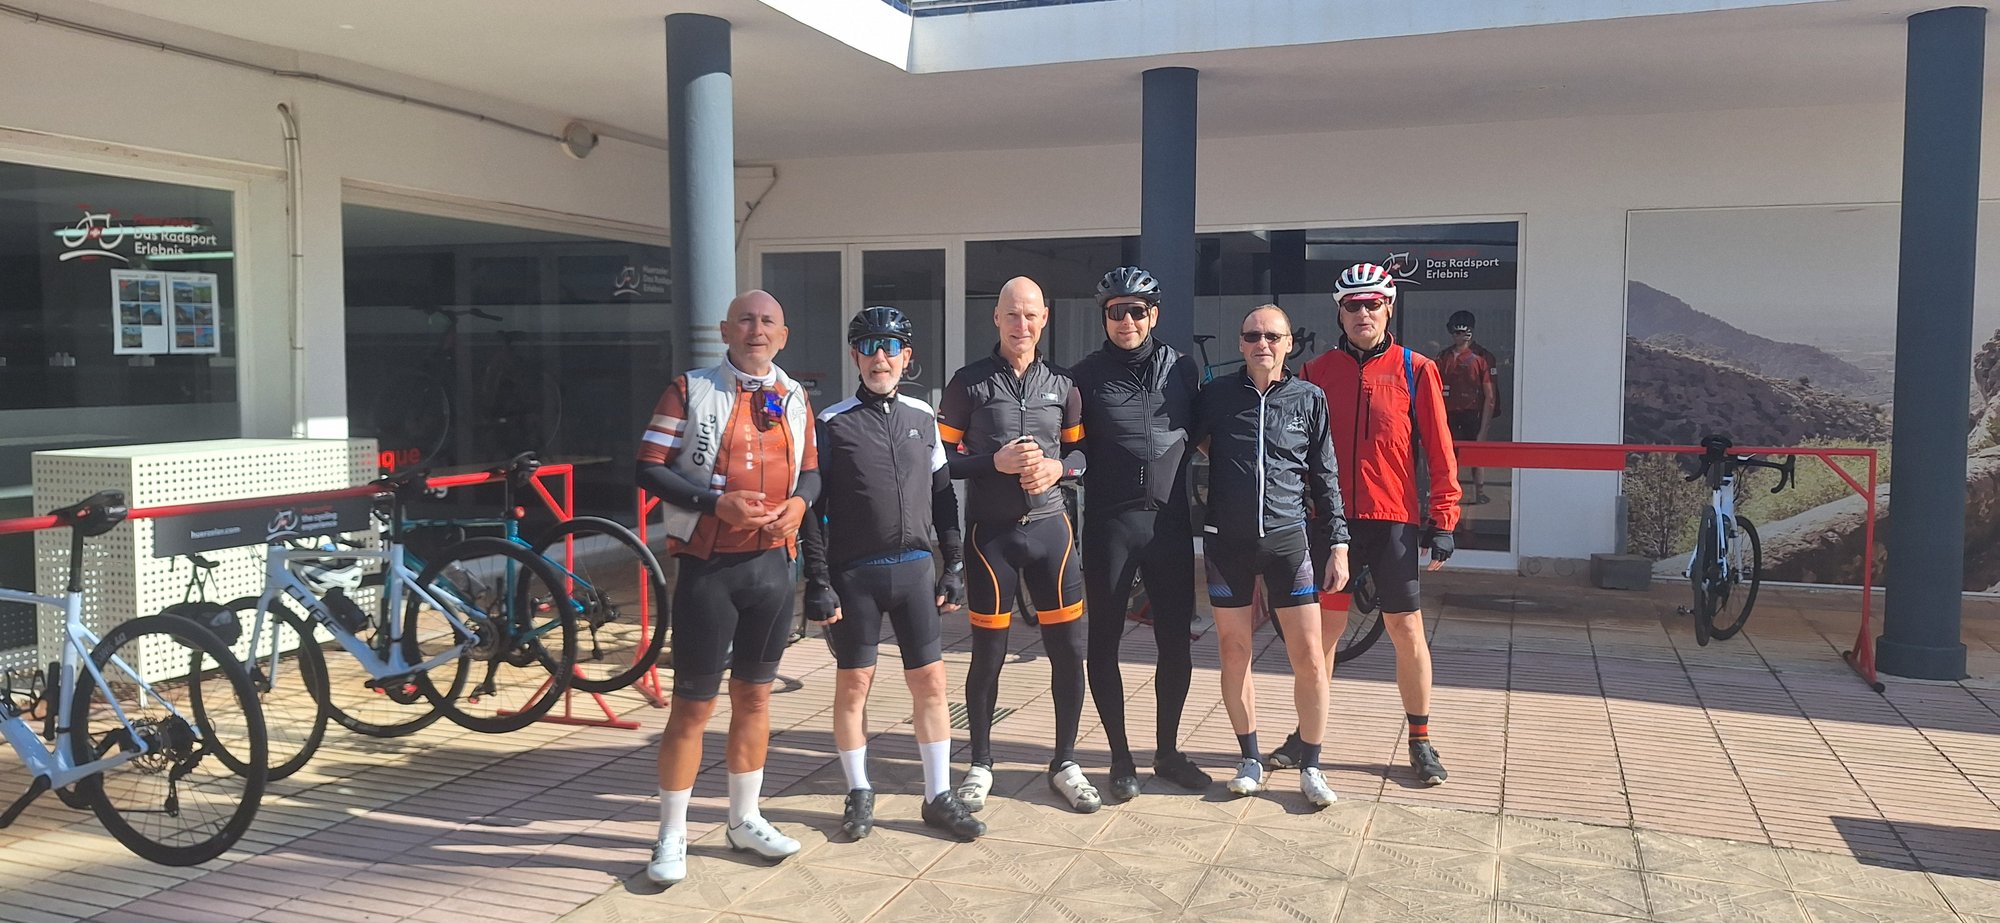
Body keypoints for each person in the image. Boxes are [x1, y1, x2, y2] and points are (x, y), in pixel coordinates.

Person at [636, 290, 820, 886]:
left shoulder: (795, 395)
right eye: (745, 320)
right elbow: (648, 467)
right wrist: (714, 503)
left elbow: (813, 473)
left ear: (783, 335)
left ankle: (744, 820)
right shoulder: (689, 389)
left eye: (768, 321)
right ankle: (671, 833)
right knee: (693, 706)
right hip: (709, 567)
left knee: (756, 699)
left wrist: (800, 505)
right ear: (724, 330)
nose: (756, 329)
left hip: (772, 568)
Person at [798, 306, 987, 842]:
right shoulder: (832, 423)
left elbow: (944, 498)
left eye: (890, 347)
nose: (879, 357)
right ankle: (859, 789)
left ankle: (938, 795)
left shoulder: (923, 418)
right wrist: (817, 581)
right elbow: (811, 511)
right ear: (854, 356)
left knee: (930, 683)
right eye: (868, 346)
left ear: (907, 357)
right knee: (854, 685)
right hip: (854, 577)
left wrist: (954, 566)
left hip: (915, 574)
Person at [1292, 262, 1463, 787]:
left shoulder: (1416, 369)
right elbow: (1295, 453)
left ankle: (1420, 740)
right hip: (1332, 524)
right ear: (1339, 313)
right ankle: (1306, 735)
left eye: (1372, 304)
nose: (1362, 313)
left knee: (1406, 631)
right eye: (1352, 305)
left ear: (1389, 308)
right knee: (1323, 635)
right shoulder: (1315, 372)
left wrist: (1444, 517)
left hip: (1392, 521)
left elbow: (1440, 448)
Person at [937, 276, 1099, 814]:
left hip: (1052, 533)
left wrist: (1058, 469)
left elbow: (1082, 456)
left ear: (1044, 318)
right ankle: (981, 763)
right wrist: (994, 462)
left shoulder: (1064, 384)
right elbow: (939, 463)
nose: (1021, 325)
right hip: (992, 538)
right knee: (988, 654)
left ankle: (1065, 762)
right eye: (1012, 314)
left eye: (1030, 315)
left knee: (1068, 652)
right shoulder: (968, 384)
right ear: (996, 318)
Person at [1193, 304, 1350, 808]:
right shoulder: (1216, 395)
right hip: (1226, 542)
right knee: (1233, 651)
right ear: (1241, 343)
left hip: (1288, 541)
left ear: (1288, 344)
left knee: (1309, 656)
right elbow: (1184, 446)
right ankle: (1250, 759)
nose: (1263, 343)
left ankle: (1312, 765)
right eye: (1253, 336)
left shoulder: (1309, 397)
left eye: (1272, 336)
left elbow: (1325, 474)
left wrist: (1339, 543)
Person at [1070, 267, 1209, 800]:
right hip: (1111, 525)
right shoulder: (1084, 375)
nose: (1126, 320)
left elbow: (1205, 435)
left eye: (1136, 310)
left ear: (1154, 315)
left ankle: (1167, 752)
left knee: (1175, 642)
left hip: (1169, 525)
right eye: (1115, 311)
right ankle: (1120, 757)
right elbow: (1069, 443)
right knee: (1103, 642)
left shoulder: (1183, 368)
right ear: (1103, 317)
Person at [1436, 309, 1498, 506]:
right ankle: (1449, 493)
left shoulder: (1482, 358)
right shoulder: (1444, 357)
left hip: (1473, 414)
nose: (1459, 336)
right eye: (1455, 332)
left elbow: (1490, 396)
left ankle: (1479, 491)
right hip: (1448, 413)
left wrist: (1484, 429)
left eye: (1462, 332)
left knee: (1476, 455)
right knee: (1447, 456)